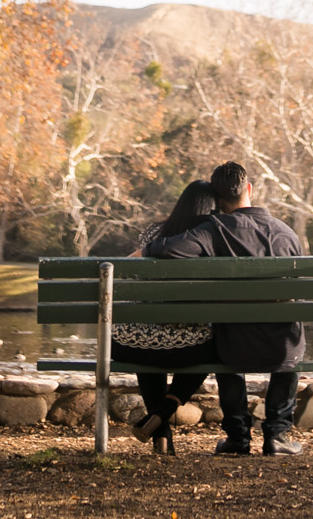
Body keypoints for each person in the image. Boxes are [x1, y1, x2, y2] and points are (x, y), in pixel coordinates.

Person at [144, 161, 304, 456]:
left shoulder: (213, 229)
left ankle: (238, 437)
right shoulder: (287, 233)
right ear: (249, 189)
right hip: (284, 346)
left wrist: (144, 249)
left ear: (216, 201)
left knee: (225, 335)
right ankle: (277, 435)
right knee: (290, 336)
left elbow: (166, 249)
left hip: (235, 345)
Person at [115, 180, 218, 454]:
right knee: (215, 348)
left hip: (131, 345)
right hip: (190, 349)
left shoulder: (154, 232)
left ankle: (161, 435)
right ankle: (163, 412)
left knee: (148, 337)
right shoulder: (215, 235)